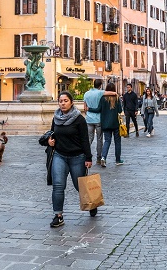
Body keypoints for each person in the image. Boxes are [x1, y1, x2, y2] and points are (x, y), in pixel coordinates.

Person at [47, 92, 94, 228]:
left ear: (71, 102)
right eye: (60, 101)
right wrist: (49, 141)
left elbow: (85, 139)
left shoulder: (79, 119)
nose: (63, 103)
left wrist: (88, 157)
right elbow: (52, 134)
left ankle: (91, 204)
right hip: (59, 155)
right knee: (58, 185)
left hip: (77, 157)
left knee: (79, 186)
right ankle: (58, 215)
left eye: (66, 100)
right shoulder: (56, 118)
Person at [98, 82, 123, 166]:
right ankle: (118, 160)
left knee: (107, 141)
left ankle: (103, 157)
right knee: (117, 142)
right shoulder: (116, 98)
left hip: (105, 123)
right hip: (115, 123)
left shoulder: (103, 98)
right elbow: (120, 110)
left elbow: (99, 109)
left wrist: (89, 109)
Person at [82, 79, 104, 161]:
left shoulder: (86, 93)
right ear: (100, 85)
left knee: (89, 138)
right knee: (99, 139)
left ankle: (86, 154)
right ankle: (99, 157)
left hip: (89, 119)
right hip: (98, 119)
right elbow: (110, 93)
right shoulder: (100, 93)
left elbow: (85, 107)